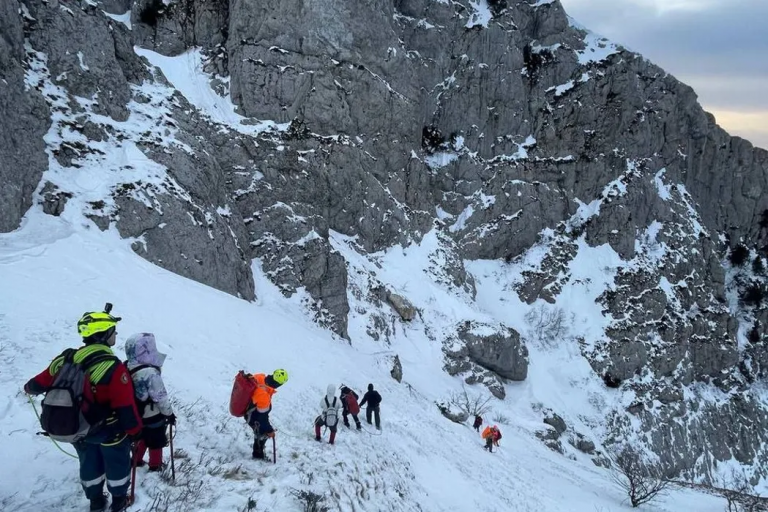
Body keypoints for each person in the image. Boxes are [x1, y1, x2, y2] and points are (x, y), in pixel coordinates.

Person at [24, 310, 142, 512]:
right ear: (104, 334)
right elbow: (125, 407)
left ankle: (96, 501)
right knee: (117, 462)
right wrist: (135, 432)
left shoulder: (65, 359)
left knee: (89, 463)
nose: (115, 334)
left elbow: (34, 385)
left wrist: (30, 389)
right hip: (108, 431)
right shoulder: (113, 367)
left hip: (77, 428)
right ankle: (119, 501)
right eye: (113, 330)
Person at [125, 333, 176, 472]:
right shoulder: (149, 372)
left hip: (136, 411)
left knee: (141, 436)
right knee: (156, 440)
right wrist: (169, 413)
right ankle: (155, 465)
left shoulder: (128, 366)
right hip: (152, 414)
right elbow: (160, 396)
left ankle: (136, 460)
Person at [246, 369, 288, 460]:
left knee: (261, 432)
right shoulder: (264, 396)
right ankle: (257, 456)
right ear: (279, 384)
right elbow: (262, 418)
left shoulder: (260, 377)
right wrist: (270, 430)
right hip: (252, 416)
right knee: (262, 433)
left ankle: (258, 453)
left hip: (250, 409)